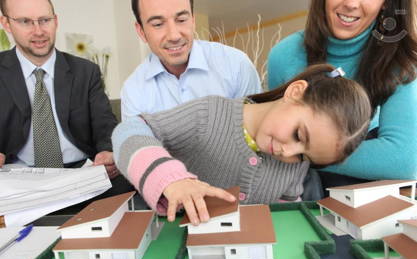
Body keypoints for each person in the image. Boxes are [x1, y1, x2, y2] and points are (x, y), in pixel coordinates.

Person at [112, 64, 372, 226]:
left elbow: (285, 209)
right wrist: (170, 180)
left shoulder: (293, 165)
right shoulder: (209, 114)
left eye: (304, 157)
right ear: (295, 92)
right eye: (298, 135)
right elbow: (130, 130)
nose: (288, 152)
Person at [267, 0, 417, 196]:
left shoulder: (402, 60)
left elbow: (403, 160)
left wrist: (300, 150)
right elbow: (272, 139)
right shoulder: (283, 56)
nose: (351, 4)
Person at [0, 0, 133, 209]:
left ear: (56, 21)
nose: (39, 31)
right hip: (21, 182)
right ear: (6, 24)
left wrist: (108, 151)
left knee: (126, 180)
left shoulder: (85, 71)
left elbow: (105, 124)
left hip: (81, 176)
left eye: (45, 20)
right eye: (25, 21)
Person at [122, 0, 262, 120]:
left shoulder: (236, 65)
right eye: (158, 24)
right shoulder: (133, 90)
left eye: (182, 20)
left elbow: (256, 136)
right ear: (141, 31)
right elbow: (137, 148)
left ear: (193, 20)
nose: (174, 36)